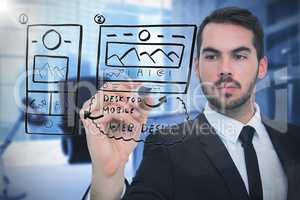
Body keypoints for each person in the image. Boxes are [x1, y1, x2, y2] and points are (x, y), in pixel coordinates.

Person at [80, 7, 300, 200]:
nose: (224, 69)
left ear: (261, 67)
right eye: (212, 56)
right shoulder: (165, 147)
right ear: (197, 67)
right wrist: (107, 174)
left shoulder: (295, 140)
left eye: (239, 56)